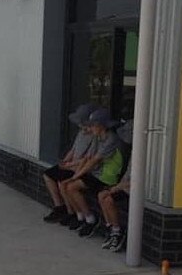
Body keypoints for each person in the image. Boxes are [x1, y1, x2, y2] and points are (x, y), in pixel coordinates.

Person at [64, 108, 124, 237]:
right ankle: (83, 217)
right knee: (69, 185)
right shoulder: (98, 137)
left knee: (71, 186)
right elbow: (87, 158)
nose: (90, 128)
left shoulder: (111, 139)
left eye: (93, 125)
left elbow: (94, 161)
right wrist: (76, 172)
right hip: (97, 173)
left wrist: (76, 176)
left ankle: (91, 220)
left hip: (107, 177)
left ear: (101, 125)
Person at [42, 103, 98, 223]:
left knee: (63, 184)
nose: (82, 126)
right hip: (71, 164)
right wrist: (66, 160)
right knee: (48, 174)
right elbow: (73, 149)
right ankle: (59, 206)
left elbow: (87, 159)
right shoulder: (81, 133)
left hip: (79, 167)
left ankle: (72, 212)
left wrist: (70, 165)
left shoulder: (94, 137)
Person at [98, 120, 132, 252]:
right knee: (101, 195)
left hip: (133, 189)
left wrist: (117, 187)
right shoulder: (131, 151)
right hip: (123, 184)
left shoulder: (144, 154)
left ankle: (117, 232)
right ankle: (111, 228)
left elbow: (137, 181)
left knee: (108, 199)